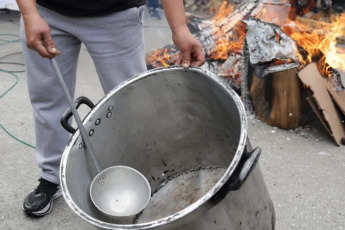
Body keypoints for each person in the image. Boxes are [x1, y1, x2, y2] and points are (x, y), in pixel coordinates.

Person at [16, 0, 205, 217]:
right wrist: (30, 14)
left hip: (116, 14)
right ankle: (51, 177)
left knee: (131, 102)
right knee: (47, 97)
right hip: (47, 11)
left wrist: (180, 28)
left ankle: (144, 174)